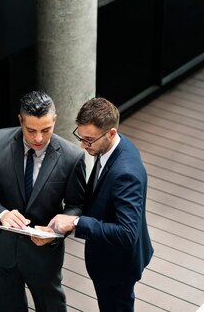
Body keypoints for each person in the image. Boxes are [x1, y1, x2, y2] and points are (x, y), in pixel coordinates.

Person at [0, 90, 86, 312]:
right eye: (31, 130)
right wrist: (2, 214)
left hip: (44, 256)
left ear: (55, 120)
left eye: (46, 130)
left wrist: (55, 231)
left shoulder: (72, 157)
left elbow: (77, 205)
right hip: (3, 251)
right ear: (20, 120)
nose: (39, 139)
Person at [41, 97, 154, 312]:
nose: (83, 145)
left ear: (111, 133)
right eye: (80, 137)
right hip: (109, 260)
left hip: (117, 267)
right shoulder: (115, 146)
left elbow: (127, 233)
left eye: (89, 140)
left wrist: (76, 222)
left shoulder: (125, 173)